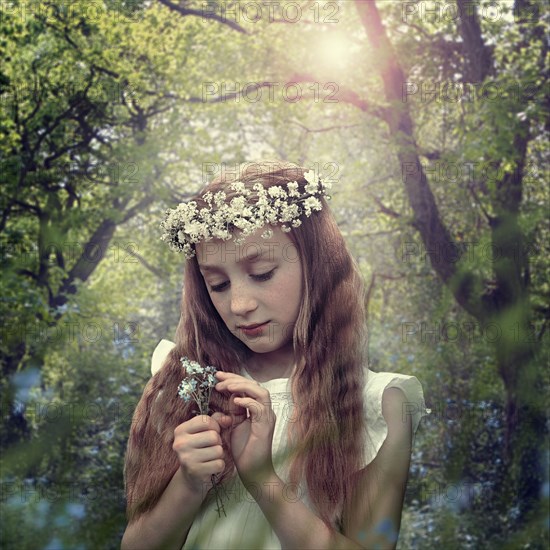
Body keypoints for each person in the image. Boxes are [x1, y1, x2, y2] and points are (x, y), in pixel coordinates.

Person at [121, 161, 429, 550]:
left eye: (263, 273)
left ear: (317, 266)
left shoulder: (378, 404)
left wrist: (262, 478)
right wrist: (189, 481)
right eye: (217, 283)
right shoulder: (188, 383)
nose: (240, 304)